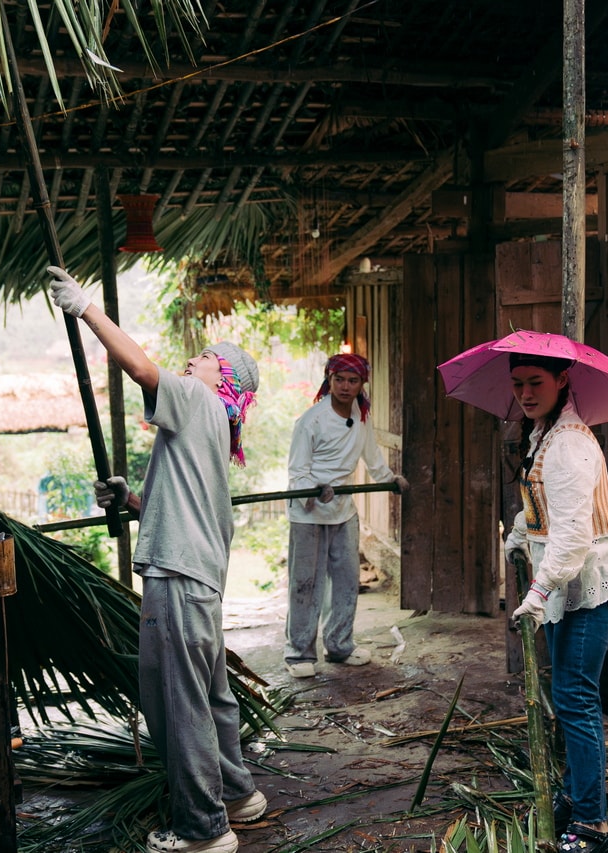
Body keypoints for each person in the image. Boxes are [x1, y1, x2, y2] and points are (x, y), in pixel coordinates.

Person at [48, 265, 266, 853]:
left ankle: (203, 829)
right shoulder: (213, 423)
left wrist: (86, 309)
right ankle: (239, 793)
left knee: (180, 701)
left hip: (179, 576)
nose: (191, 361)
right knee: (210, 692)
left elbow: (141, 368)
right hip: (198, 576)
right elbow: (185, 504)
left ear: (223, 377)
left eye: (204, 356)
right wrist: (134, 499)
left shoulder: (198, 399)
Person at [505, 351, 608, 853]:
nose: (526, 394)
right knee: (567, 696)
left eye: (536, 382)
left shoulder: (569, 445)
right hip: (566, 578)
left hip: (589, 579)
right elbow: (545, 510)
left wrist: (538, 590)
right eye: (518, 384)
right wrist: (520, 533)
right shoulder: (543, 436)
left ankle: (593, 826)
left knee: (575, 699)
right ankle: (578, 794)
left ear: (563, 380)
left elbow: (576, 533)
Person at [284, 353, 408, 679]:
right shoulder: (311, 421)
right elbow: (298, 472)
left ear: (361, 385)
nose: (345, 386)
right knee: (306, 584)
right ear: (329, 380)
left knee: (345, 580)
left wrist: (390, 479)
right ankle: (299, 654)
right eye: (339, 379)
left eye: (353, 381)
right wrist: (314, 488)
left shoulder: (361, 416)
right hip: (308, 512)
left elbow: (372, 457)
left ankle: (339, 644)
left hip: (343, 510)